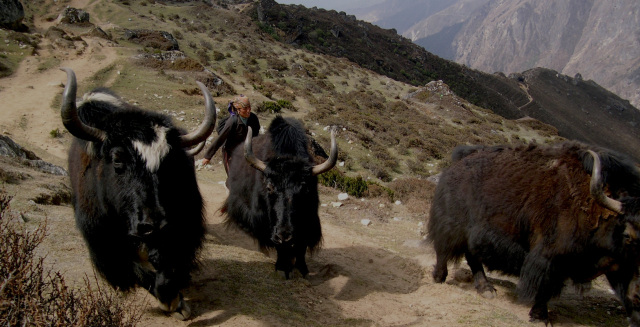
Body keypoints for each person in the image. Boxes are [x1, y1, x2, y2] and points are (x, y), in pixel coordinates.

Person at [201, 95, 260, 175]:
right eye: (245, 108)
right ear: (238, 110)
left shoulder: (253, 119)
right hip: (230, 153)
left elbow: (256, 137)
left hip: (245, 154)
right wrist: (208, 156)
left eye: (249, 107)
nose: (248, 110)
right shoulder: (232, 121)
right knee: (233, 178)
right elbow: (220, 139)